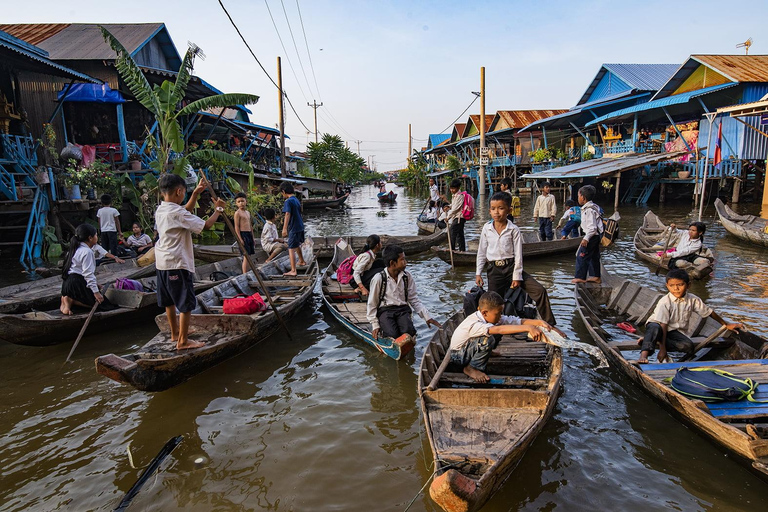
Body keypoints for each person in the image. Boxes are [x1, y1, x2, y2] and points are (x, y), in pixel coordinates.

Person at [155, 174, 226, 350]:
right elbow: (206, 226)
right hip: (177, 263)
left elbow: (184, 212)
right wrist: (218, 210)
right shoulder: (177, 213)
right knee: (186, 304)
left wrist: (195, 194)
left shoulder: (162, 209)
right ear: (179, 191)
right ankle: (183, 341)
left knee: (169, 302)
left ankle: (174, 333)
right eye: (184, 193)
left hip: (162, 263)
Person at [476, 191, 558, 325]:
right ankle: (490, 327)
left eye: (501, 208)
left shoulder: (513, 229)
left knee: (539, 291)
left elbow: (519, 255)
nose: (496, 212)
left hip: (511, 267)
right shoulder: (486, 228)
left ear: (509, 210)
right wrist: (478, 273)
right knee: (492, 303)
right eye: (493, 208)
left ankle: (549, 324)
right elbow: (481, 252)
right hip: (494, 270)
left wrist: (516, 276)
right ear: (489, 210)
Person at [637, 269, 742, 364]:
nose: (676, 289)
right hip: (658, 326)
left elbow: (709, 312)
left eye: (680, 285)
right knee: (655, 327)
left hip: (673, 331)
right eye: (672, 285)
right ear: (667, 286)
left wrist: (726, 324)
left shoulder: (693, 300)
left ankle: (650, 340)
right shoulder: (665, 302)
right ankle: (644, 354)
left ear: (688, 285)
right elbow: (663, 324)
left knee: (688, 346)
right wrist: (662, 349)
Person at [450, 291, 558, 382]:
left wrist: (539, 322)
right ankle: (471, 368)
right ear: (485, 313)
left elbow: (515, 321)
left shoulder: (490, 317)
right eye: (498, 313)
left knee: (496, 329)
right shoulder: (475, 323)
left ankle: (485, 352)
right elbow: (499, 329)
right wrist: (529, 328)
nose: (500, 315)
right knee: (487, 339)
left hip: (468, 349)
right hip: (459, 356)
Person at [367, 244, 441, 340]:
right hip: (386, 311)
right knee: (391, 335)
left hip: (402, 310)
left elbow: (413, 299)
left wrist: (427, 317)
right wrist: (375, 324)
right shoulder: (379, 278)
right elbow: (372, 304)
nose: (405, 262)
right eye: (402, 260)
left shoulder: (407, 277)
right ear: (392, 263)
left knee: (409, 333)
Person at [60, 224, 114, 315]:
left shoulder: (73, 249)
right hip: (77, 284)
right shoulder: (87, 252)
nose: (97, 237)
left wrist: (96, 285)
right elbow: (88, 274)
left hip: (67, 284)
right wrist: (96, 293)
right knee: (105, 306)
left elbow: (76, 270)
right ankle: (72, 300)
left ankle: (66, 302)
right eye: (96, 235)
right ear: (90, 238)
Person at [572, 185, 603, 284]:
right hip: (596, 236)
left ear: (583, 198)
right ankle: (595, 276)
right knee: (594, 256)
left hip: (592, 236)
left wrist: (586, 238)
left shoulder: (589, 210)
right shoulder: (593, 207)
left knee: (581, 256)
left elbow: (592, 228)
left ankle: (580, 277)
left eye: (578, 196)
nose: (578, 198)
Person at [280, 181, 307, 276]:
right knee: (296, 244)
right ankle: (302, 261)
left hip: (294, 227)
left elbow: (287, 214)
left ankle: (293, 270)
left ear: (283, 191)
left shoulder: (288, 201)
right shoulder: (296, 199)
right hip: (300, 226)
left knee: (291, 247)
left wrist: (284, 228)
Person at [233, 192, 256, 275]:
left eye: (242, 201)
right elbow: (236, 227)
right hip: (243, 234)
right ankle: (244, 273)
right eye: (239, 202)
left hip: (249, 233)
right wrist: (240, 239)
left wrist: (253, 238)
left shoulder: (247, 213)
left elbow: (250, 225)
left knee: (249, 255)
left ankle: (248, 271)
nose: (241, 203)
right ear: (236, 203)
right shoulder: (237, 213)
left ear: (246, 201)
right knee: (246, 255)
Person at [444, 178, 468, 252]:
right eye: (451, 188)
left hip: (459, 217)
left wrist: (448, 217)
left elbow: (455, 209)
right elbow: (454, 206)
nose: (451, 190)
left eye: (453, 188)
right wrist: (449, 206)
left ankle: (452, 249)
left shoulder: (460, 196)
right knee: (459, 234)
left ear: (458, 188)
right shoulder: (455, 195)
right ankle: (462, 250)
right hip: (457, 217)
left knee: (452, 232)